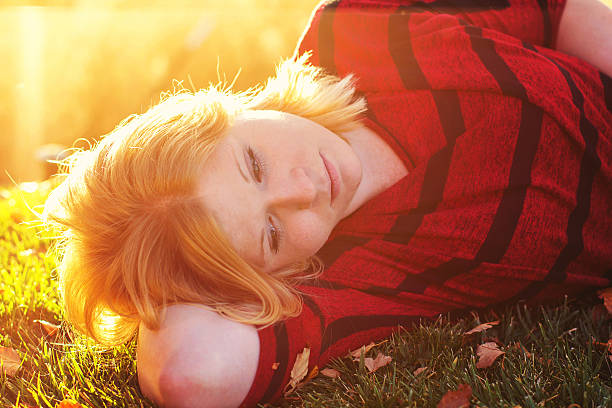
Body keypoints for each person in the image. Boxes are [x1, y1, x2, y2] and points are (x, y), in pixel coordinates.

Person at [42, 0, 612, 407]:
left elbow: (556, 10)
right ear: (267, 277)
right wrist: (171, 276)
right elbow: (191, 378)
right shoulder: (350, 275)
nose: (303, 191)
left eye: (255, 165)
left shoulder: (359, 26)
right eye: (269, 233)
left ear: (227, 110)